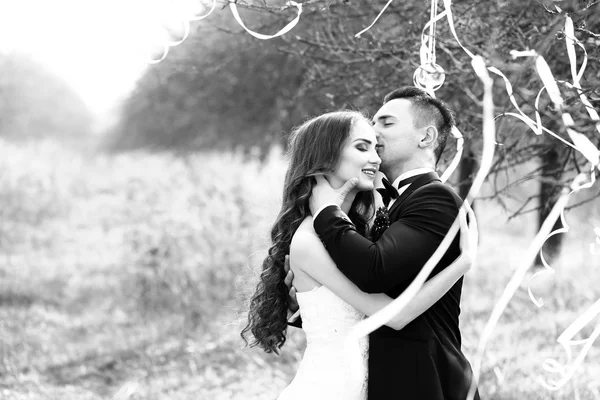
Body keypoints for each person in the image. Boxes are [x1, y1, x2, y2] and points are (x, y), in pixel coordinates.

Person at [241, 109, 478, 400]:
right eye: (362, 147)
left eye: (375, 148)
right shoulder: (310, 239)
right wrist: (462, 264)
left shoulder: (353, 231)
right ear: (325, 157)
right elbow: (397, 315)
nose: (376, 158)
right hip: (333, 387)